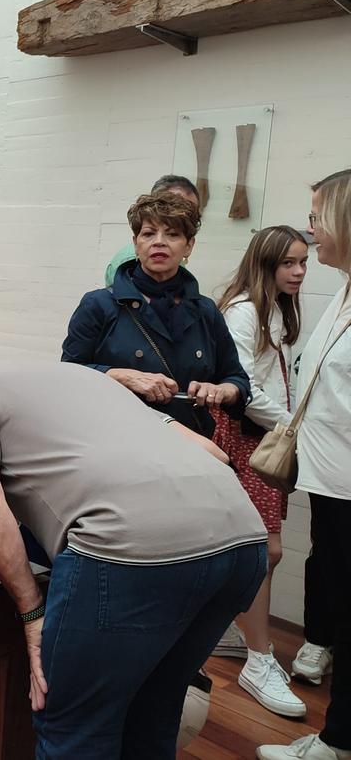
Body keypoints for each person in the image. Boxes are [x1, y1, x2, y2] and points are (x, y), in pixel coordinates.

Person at [0, 361, 267, 759]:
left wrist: (30, 613)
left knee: (77, 731)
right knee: (155, 712)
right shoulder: (94, 382)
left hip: (128, 553)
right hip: (244, 538)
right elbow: (212, 452)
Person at [259, 169, 351, 760]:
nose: (311, 229)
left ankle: (337, 743)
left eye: (318, 216)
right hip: (331, 479)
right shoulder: (342, 288)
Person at [209, 226, 308, 717]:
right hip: (248, 440)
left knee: (260, 549)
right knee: (263, 548)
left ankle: (233, 629)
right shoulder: (245, 311)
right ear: (266, 264)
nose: (298, 272)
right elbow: (244, 383)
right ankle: (257, 657)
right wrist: (292, 426)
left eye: (303, 263)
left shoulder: (276, 313)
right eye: (288, 263)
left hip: (265, 442)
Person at [62, 191, 249, 437]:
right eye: (149, 233)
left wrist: (221, 391)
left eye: (172, 234)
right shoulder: (100, 304)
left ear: (189, 246)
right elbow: (67, 375)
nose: (159, 242)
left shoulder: (205, 311)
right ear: (136, 242)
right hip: (115, 438)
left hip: (189, 442)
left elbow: (237, 379)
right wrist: (121, 375)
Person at [105, 174, 202, 287]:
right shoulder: (131, 261)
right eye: (173, 205)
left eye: (192, 211)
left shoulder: (174, 259)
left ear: (189, 245)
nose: (184, 214)